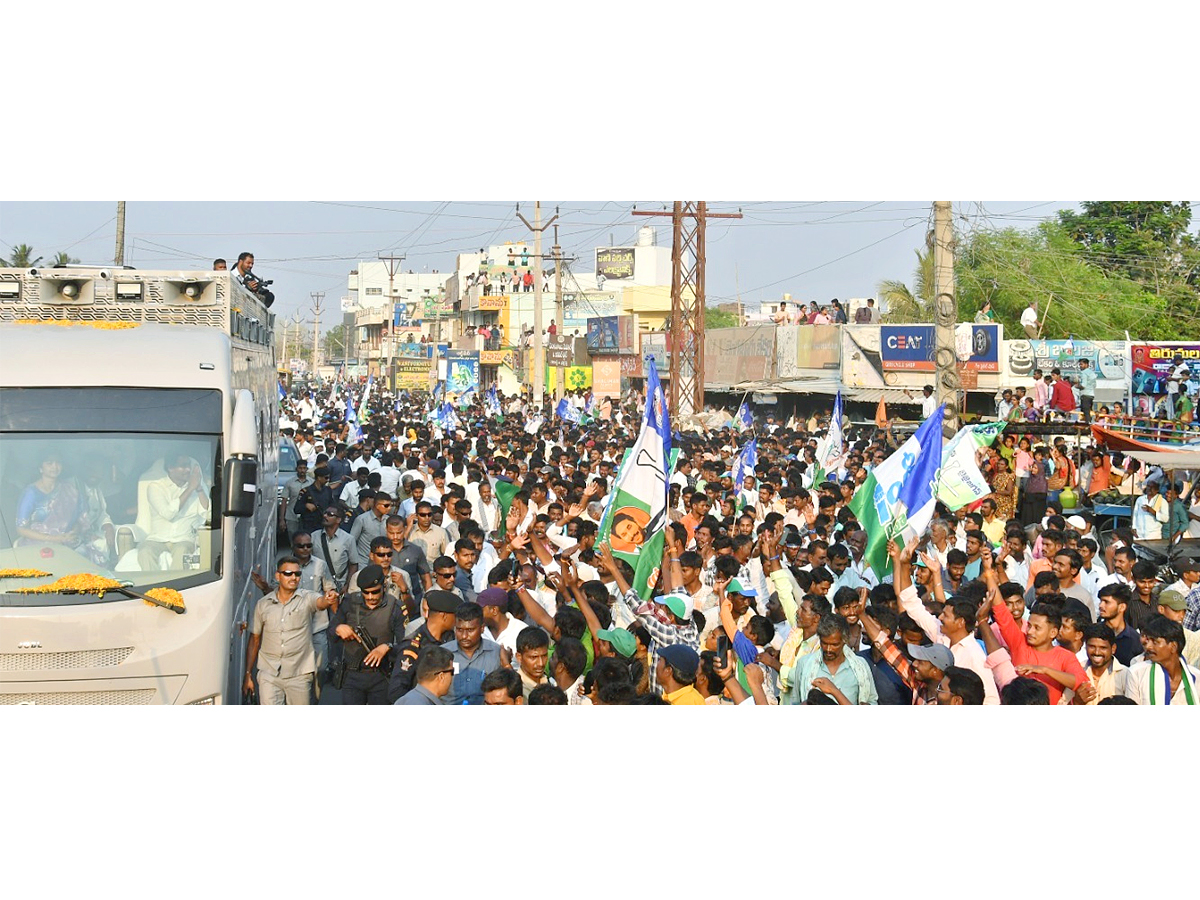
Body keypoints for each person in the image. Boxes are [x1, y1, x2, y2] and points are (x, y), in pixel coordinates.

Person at [244, 557, 339, 705]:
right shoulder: (263, 604)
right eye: (288, 573)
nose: (293, 577)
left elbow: (320, 602)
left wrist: (329, 599)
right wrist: (248, 674)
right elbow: (254, 639)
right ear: (278, 576)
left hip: (299, 674)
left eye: (297, 574)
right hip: (269, 673)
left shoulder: (307, 598)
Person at [329, 565, 405, 705]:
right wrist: (338, 628)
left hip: (381, 676)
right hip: (352, 675)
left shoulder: (395, 607)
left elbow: (405, 644)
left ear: (384, 585)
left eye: (375, 592)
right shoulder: (350, 602)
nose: (370, 597)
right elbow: (331, 631)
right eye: (366, 592)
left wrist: (387, 647)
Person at [137, 455, 211, 571]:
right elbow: (168, 514)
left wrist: (199, 488)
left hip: (184, 539)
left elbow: (207, 514)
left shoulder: (197, 488)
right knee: (145, 552)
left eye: (188, 466)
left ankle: (176, 587)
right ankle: (154, 586)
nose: (188, 470)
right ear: (170, 468)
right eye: (183, 466)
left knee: (182, 551)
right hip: (158, 538)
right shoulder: (156, 487)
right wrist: (190, 489)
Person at [787, 614, 878, 705]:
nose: (828, 649)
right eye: (824, 643)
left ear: (844, 640)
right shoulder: (805, 664)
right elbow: (796, 702)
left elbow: (872, 701)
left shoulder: (860, 666)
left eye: (835, 645)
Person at [387, 589, 459, 703]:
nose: (457, 621)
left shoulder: (450, 639)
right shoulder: (414, 645)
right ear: (444, 616)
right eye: (455, 616)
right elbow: (397, 690)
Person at [1123, 615, 1199, 705]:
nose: (1148, 647)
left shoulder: (1196, 676)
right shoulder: (1136, 673)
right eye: (1148, 641)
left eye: (1155, 642)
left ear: (1173, 647)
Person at [440, 601, 504, 706]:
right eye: (460, 630)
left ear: (482, 628)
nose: (464, 636)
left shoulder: (495, 652)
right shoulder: (442, 653)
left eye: (470, 630)